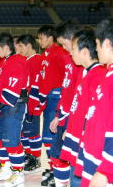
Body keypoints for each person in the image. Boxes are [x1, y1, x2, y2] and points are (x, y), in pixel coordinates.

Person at [60, 28, 107, 187]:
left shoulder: (99, 76)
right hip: (78, 140)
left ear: (85, 51)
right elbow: (80, 107)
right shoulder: (87, 73)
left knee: (78, 180)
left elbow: (95, 116)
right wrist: (70, 127)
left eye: (73, 49)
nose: (70, 53)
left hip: (88, 146)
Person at [75, 18, 113, 187]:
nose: (96, 50)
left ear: (106, 44)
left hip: (104, 167)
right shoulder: (108, 75)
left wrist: (105, 170)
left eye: (97, 44)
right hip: (96, 156)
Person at [48, 20, 83, 187]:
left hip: (74, 117)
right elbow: (66, 89)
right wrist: (58, 115)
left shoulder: (83, 64)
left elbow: (80, 96)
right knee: (56, 155)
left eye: (65, 44)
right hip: (64, 115)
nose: (64, 48)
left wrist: (72, 124)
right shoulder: (70, 59)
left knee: (72, 158)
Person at [0, 32, 28, 186]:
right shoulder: (7, 61)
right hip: (4, 105)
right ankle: (6, 168)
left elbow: (13, 91)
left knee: (11, 141)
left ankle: (18, 173)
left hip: (14, 106)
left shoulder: (17, 62)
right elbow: (1, 85)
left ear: (6, 47)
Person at [36, 25, 66, 186]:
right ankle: (53, 167)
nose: (39, 40)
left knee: (53, 137)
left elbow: (66, 80)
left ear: (50, 37)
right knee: (47, 138)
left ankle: (59, 170)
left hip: (56, 98)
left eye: (41, 37)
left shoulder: (60, 53)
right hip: (47, 99)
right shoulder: (45, 55)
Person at [17, 34, 43, 174]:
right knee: (25, 132)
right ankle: (28, 154)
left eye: (21, 46)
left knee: (33, 132)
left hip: (33, 103)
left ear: (28, 45)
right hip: (25, 103)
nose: (19, 49)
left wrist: (36, 103)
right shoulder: (26, 60)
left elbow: (38, 84)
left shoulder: (37, 60)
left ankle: (36, 158)